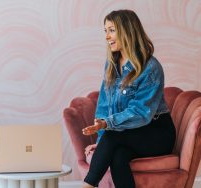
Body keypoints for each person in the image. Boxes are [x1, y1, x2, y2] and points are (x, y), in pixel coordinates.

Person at [81, 10, 176, 188]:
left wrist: (105, 127)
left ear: (126, 31)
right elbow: (104, 107)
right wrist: (100, 142)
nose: (107, 36)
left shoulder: (150, 67)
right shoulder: (111, 65)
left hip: (156, 133)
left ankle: (87, 185)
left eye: (111, 30)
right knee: (118, 156)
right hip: (126, 135)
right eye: (105, 31)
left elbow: (141, 113)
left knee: (112, 136)